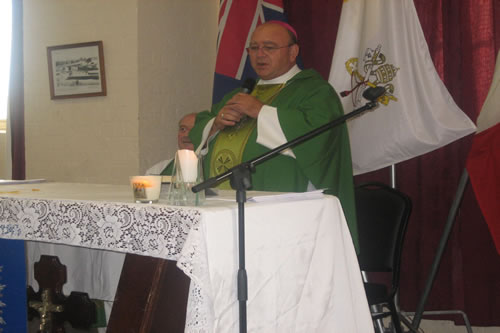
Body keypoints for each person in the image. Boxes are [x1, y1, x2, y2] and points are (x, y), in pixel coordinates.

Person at [189, 21, 358, 249]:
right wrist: (215, 124)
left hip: (286, 215)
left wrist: (259, 111)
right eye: (254, 48)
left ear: (293, 52)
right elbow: (199, 124)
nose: (260, 55)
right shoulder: (241, 93)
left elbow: (318, 139)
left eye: (269, 47)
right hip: (225, 209)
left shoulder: (315, 91)